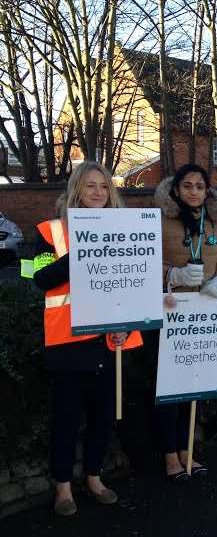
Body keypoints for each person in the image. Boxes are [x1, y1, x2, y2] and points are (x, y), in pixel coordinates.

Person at [31, 161, 142, 516]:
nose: (98, 192)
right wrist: (81, 253)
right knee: (66, 418)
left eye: (104, 186)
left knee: (102, 415)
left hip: (109, 340)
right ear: (76, 189)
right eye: (90, 185)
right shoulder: (49, 232)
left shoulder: (125, 231)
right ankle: (63, 487)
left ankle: (94, 477)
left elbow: (131, 283)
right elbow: (39, 278)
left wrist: (128, 321)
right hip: (68, 340)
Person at [153, 164, 217, 479]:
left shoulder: (215, 221)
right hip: (171, 312)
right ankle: (170, 456)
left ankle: (188, 451)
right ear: (176, 189)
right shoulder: (161, 220)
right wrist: (172, 275)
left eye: (200, 186)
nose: (194, 192)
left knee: (193, 386)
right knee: (169, 390)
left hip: (204, 311)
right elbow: (145, 261)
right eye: (188, 186)